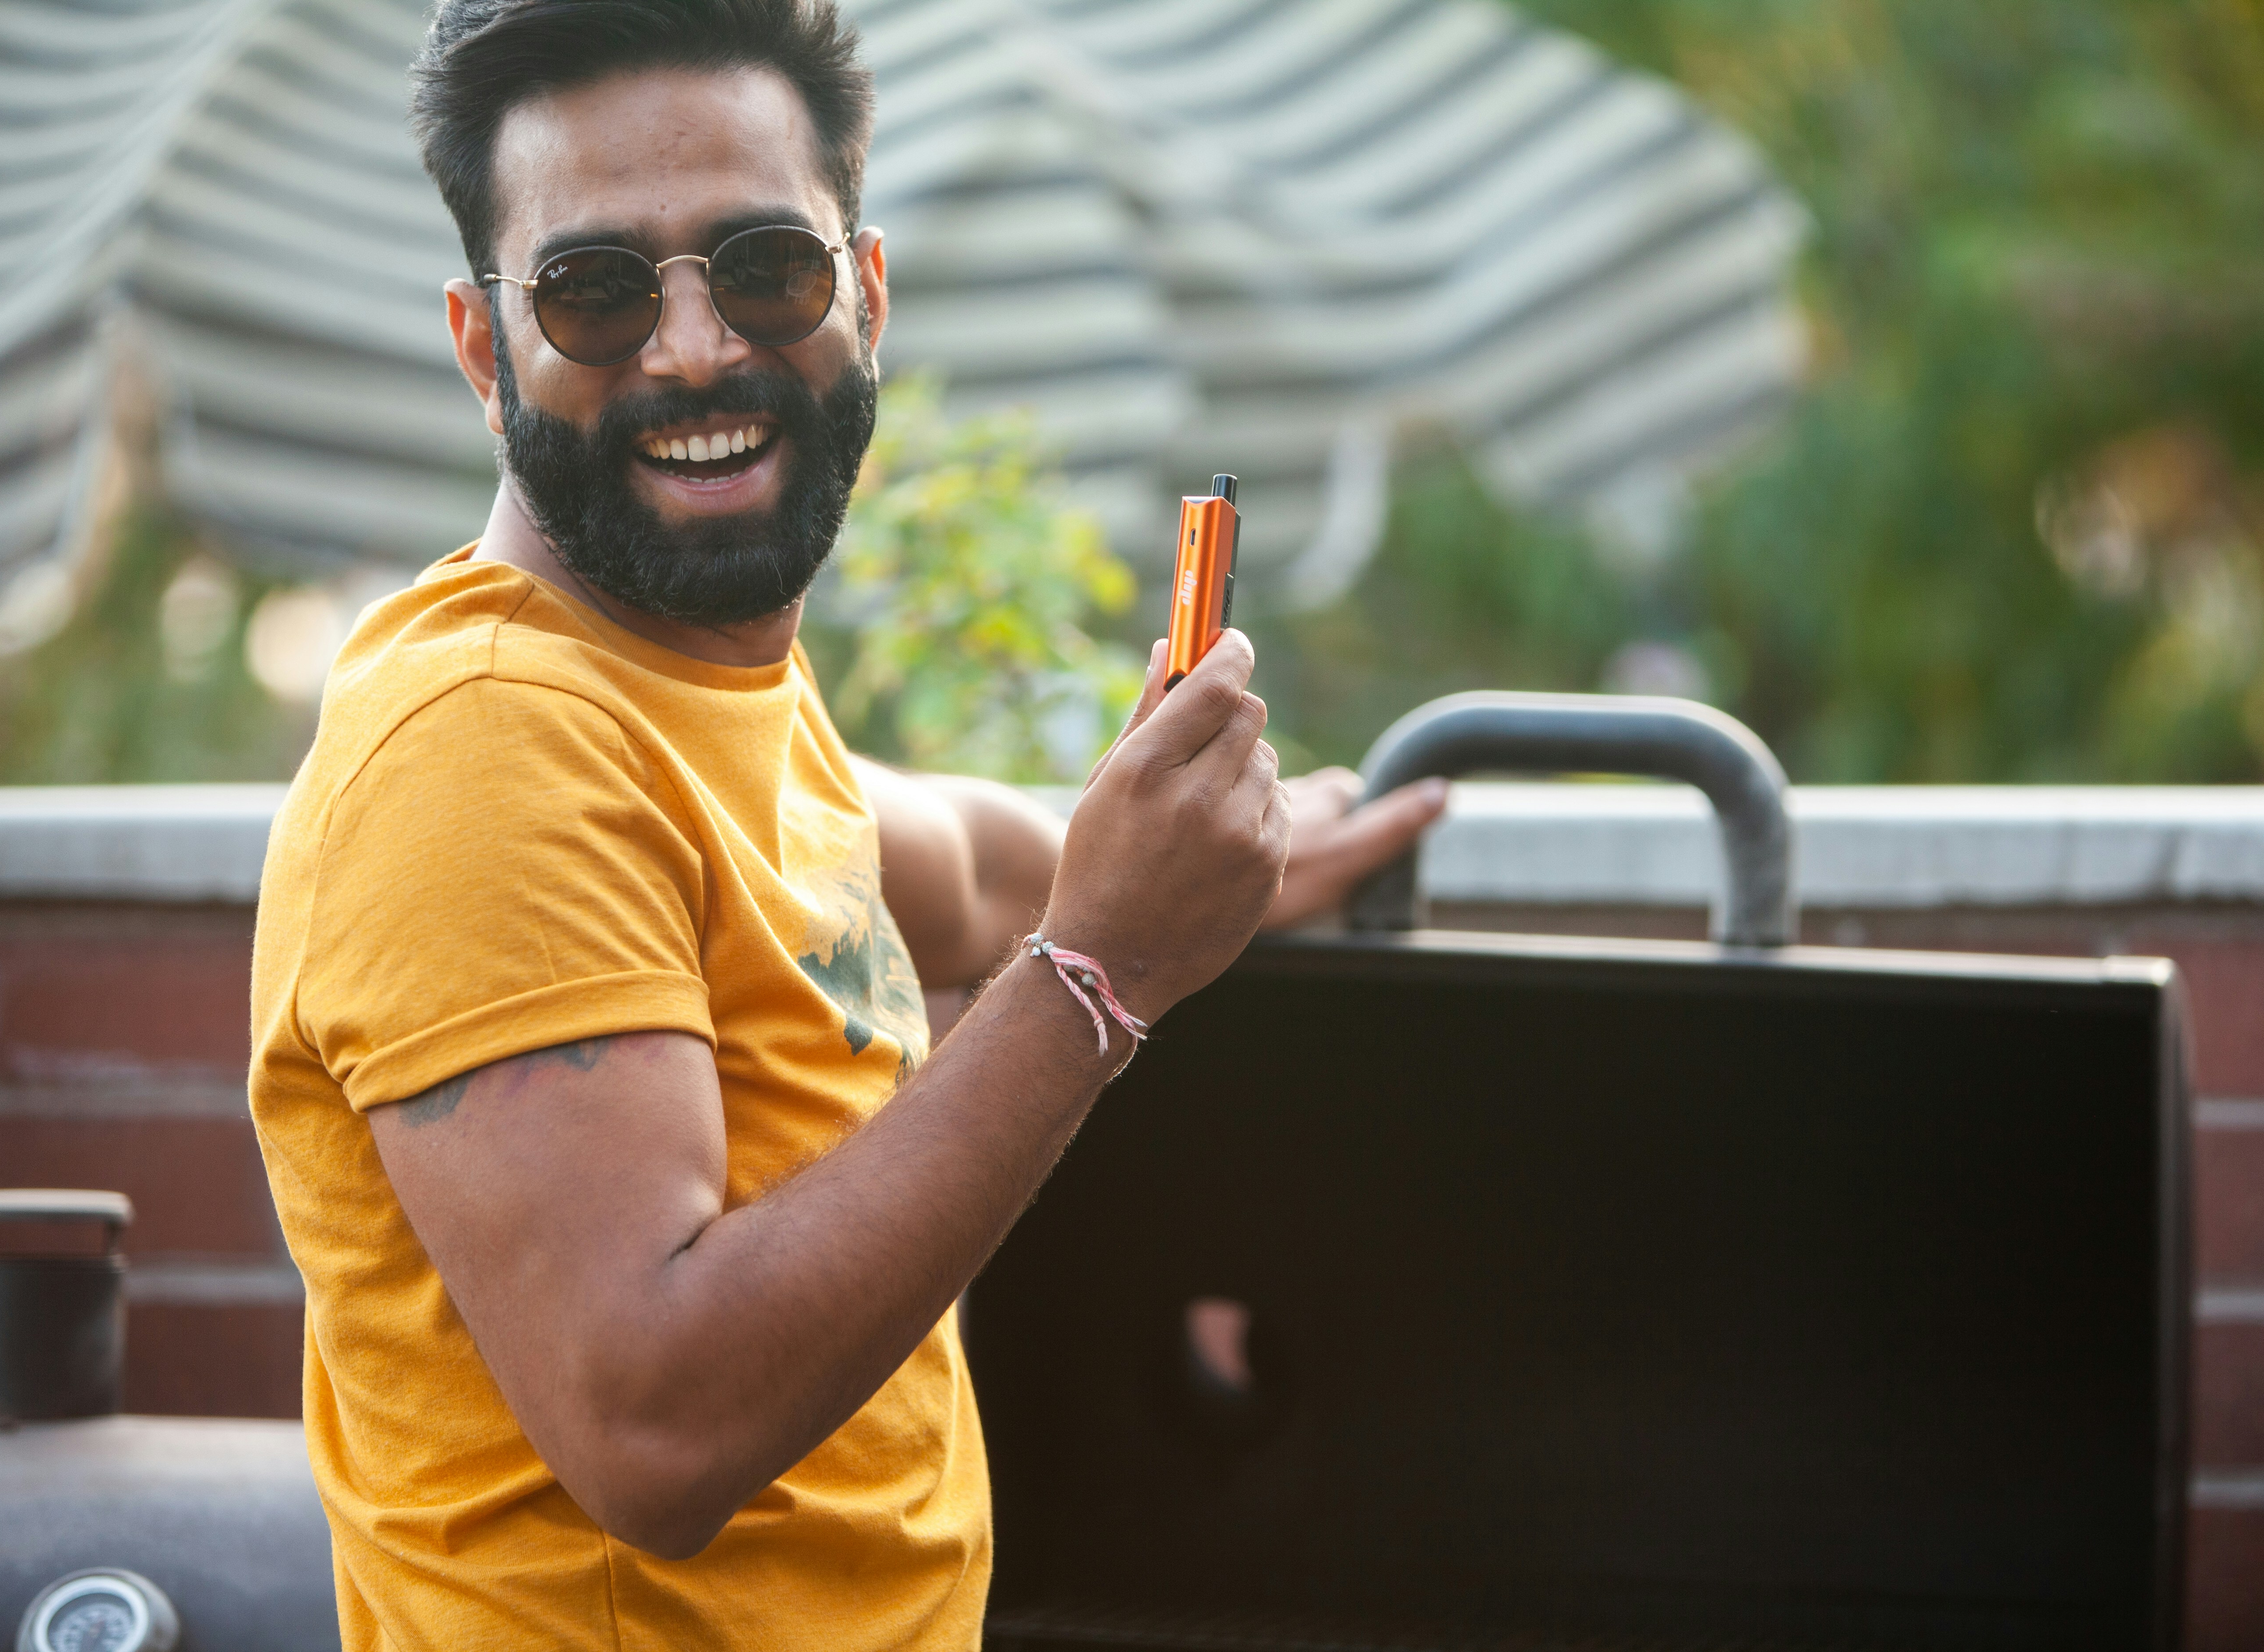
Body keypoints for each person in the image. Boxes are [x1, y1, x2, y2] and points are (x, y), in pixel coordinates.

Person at [244, 0, 1448, 1646]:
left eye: (764, 269)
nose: (691, 350)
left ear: (864, 293)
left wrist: (1245, 849)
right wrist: (1100, 966)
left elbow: (943, 861)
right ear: (482, 348)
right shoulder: (482, 752)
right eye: (596, 290)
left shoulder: (675, 688)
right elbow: (653, 1428)